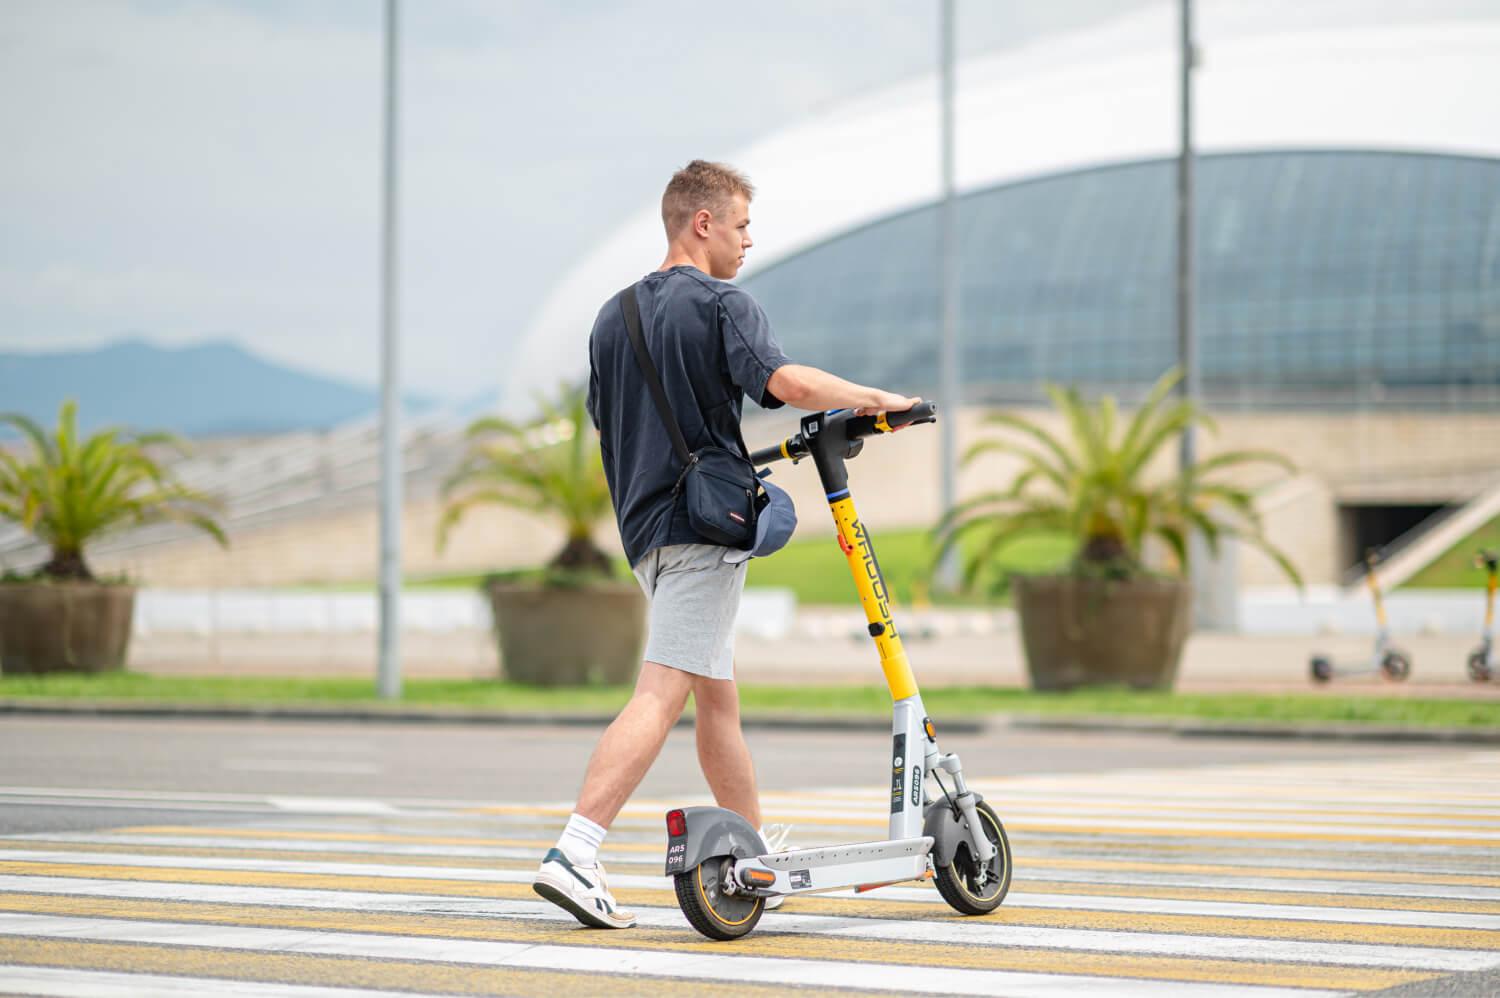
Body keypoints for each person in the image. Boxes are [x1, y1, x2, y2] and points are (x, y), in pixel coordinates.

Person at [532, 159, 920, 929]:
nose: (748, 240)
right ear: (701, 223)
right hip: (703, 531)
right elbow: (784, 383)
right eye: (741, 225)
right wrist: (880, 402)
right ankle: (576, 850)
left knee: (718, 699)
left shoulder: (614, 316)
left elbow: (608, 424)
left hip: (646, 531)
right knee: (661, 693)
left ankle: (749, 851)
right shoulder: (721, 303)